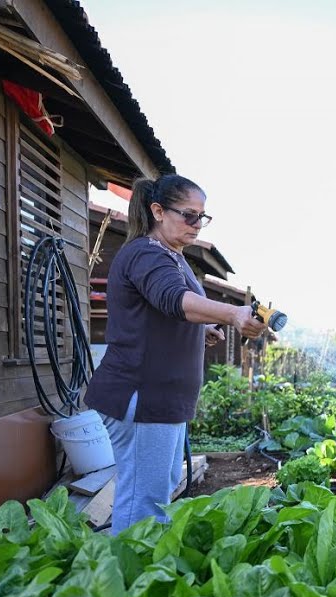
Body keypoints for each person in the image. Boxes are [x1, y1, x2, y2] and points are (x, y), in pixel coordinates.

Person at [85, 174, 267, 534]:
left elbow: (163, 314)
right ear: (157, 211)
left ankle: (140, 574)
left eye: (202, 217)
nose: (196, 225)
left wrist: (201, 330)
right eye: (188, 215)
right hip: (142, 397)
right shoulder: (144, 254)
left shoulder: (175, 257)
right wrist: (232, 314)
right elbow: (172, 299)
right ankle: (126, 583)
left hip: (163, 401)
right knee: (143, 502)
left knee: (155, 492)